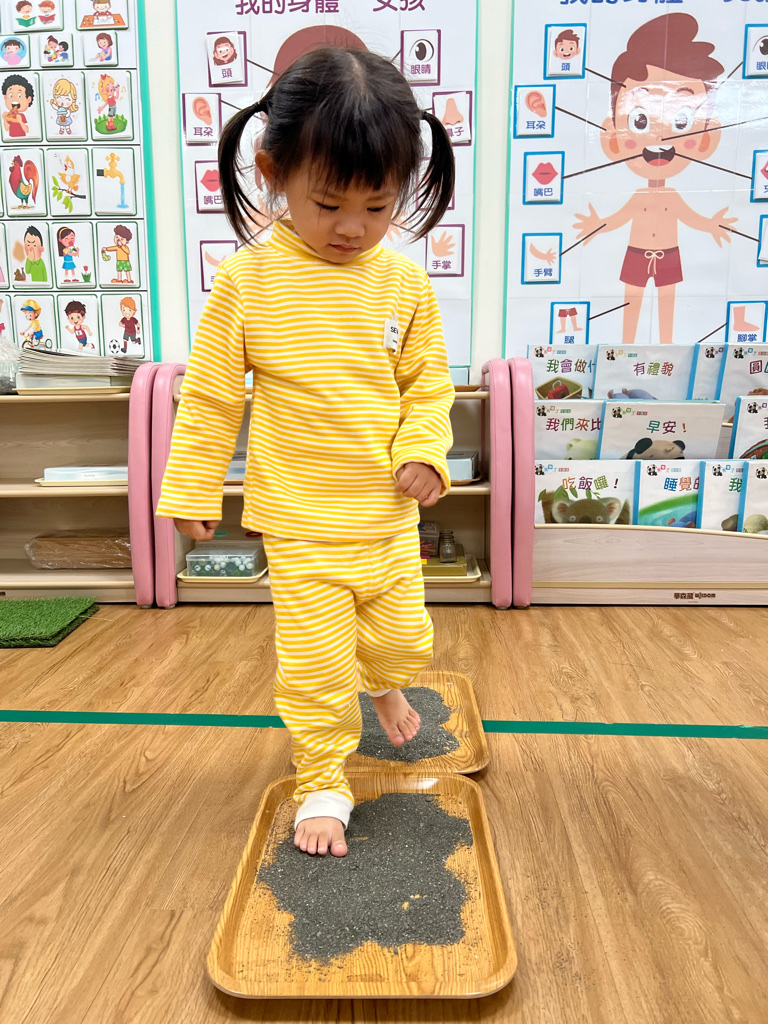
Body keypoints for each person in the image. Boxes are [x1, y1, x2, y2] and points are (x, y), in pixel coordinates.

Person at [156, 46, 455, 859]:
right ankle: (324, 779)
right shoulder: (247, 282)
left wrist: (425, 452)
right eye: (328, 203)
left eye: (377, 205)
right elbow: (211, 394)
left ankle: (383, 684)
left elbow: (428, 385)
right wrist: (194, 487)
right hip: (299, 526)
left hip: (385, 517)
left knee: (404, 644)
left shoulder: (403, 285)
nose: (352, 227)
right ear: (273, 173)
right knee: (316, 667)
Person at [573, 13, 736, 345]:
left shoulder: (671, 196)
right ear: (612, 136)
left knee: (666, 302)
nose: (659, 141)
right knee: (630, 301)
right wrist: (597, 225)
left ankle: (665, 347)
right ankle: (626, 347)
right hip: (636, 253)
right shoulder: (639, 196)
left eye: (681, 120)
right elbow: (620, 218)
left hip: (669, 254)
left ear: (707, 137)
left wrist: (711, 224)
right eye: (640, 120)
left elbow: (689, 217)